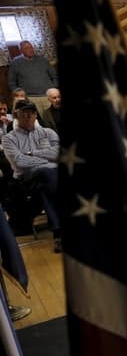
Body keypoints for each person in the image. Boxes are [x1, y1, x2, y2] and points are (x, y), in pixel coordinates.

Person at [1, 100, 62, 253]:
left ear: (36, 115)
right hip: (26, 181)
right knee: (48, 173)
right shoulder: (9, 138)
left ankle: (58, 233)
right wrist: (47, 158)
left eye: (32, 113)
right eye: (24, 113)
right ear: (16, 115)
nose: (29, 116)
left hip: (47, 179)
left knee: (45, 186)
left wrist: (32, 153)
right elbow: (20, 162)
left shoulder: (48, 132)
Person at [8, 41, 58, 115]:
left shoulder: (42, 60)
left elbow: (54, 76)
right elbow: (11, 82)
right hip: (30, 98)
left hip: (48, 96)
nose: (30, 49)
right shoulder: (15, 63)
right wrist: (20, 96)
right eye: (27, 48)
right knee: (39, 121)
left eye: (31, 47)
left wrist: (53, 89)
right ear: (21, 50)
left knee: (55, 118)